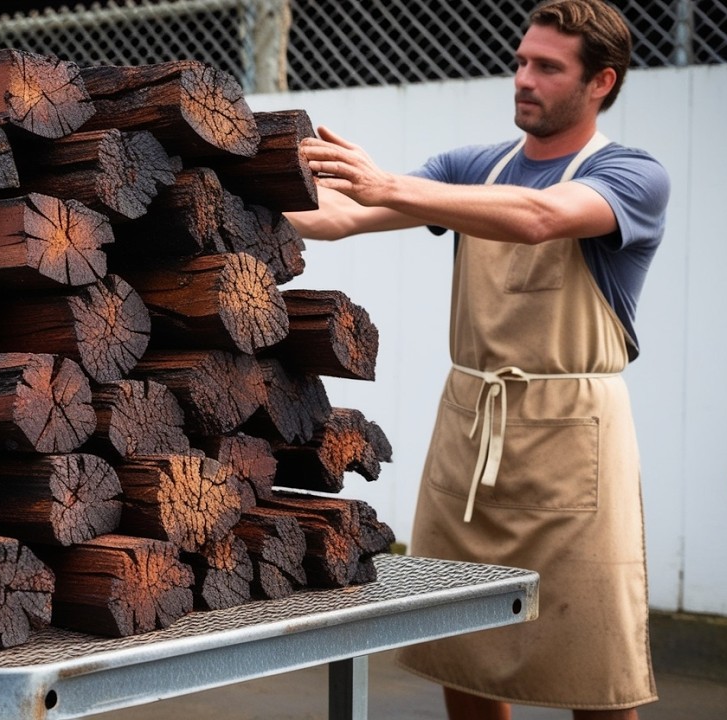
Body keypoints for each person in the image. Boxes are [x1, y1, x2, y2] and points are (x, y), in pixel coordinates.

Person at [284, 1, 670, 718]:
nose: (523, 78)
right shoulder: (475, 167)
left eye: (548, 67)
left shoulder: (631, 174)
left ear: (601, 83)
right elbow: (340, 216)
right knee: (461, 642)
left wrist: (390, 183)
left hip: (575, 440)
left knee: (596, 657)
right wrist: (229, 196)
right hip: (470, 432)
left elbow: (540, 218)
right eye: (521, 61)